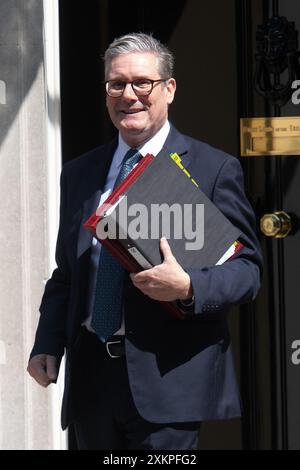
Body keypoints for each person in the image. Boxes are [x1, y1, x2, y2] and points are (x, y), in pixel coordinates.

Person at [27, 32, 263, 450]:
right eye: (116, 84)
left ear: (169, 89)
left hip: (168, 382)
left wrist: (189, 287)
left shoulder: (212, 169)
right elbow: (68, 273)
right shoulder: (81, 173)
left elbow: (247, 272)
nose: (129, 95)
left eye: (142, 83)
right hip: (92, 383)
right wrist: (47, 343)